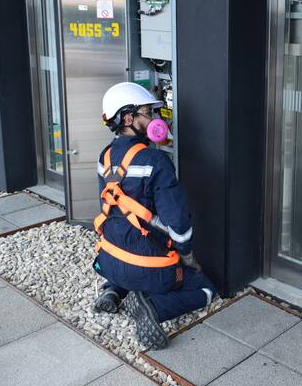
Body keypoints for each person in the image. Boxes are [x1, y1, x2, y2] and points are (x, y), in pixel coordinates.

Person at [91, 82, 215, 350]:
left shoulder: (105, 156)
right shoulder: (156, 162)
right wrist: (187, 256)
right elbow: (178, 221)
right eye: (148, 112)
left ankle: (113, 290)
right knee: (205, 289)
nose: (154, 119)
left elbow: (112, 210)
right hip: (151, 272)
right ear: (128, 118)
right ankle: (153, 308)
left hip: (108, 259)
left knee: (128, 237)